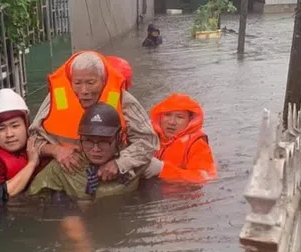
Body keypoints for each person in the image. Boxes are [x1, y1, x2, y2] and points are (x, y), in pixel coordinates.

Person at [29, 50, 158, 182]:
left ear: (103, 81)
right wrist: (56, 150)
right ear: (70, 82)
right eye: (78, 83)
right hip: (70, 166)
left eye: (90, 83)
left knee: (156, 167)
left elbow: (149, 141)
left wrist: (120, 163)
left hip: (112, 162)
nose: (84, 91)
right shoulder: (56, 98)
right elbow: (32, 139)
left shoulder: (122, 98)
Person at [27, 103, 145, 201]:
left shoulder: (135, 163)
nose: (95, 149)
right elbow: (32, 201)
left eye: (103, 142)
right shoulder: (64, 167)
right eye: (88, 141)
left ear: (118, 138)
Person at [144, 94, 217, 183]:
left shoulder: (197, 145)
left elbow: (205, 177)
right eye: (167, 115)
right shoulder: (147, 135)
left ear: (190, 121)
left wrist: (163, 169)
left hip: (179, 194)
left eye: (179, 117)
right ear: (160, 117)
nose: (172, 122)